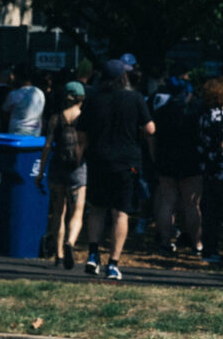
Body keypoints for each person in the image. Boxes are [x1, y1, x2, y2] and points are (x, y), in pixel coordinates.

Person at [77, 59, 155, 280]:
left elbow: (81, 133)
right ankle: (113, 263)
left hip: (99, 159)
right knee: (121, 212)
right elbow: (150, 128)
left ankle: (93, 254)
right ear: (124, 77)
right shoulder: (135, 98)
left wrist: (82, 153)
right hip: (126, 161)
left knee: (98, 208)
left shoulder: (94, 99)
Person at [36, 81, 87, 269]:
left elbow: (47, 146)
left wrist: (40, 172)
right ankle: (70, 242)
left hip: (57, 168)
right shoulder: (84, 118)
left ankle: (57, 255)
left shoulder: (55, 119)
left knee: (58, 212)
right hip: (77, 169)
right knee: (77, 212)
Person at [151, 75, 203, 254]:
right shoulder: (194, 112)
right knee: (192, 204)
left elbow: (154, 136)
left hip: (166, 160)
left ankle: (165, 241)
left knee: (167, 202)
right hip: (190, 161)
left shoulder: (162, 112)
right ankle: (196, 243)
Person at [198, 77, 223, 263]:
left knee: (210, 211)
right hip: (220, 166)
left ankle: (209, 248)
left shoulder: (204, 113)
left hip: (208, 167)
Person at [3, 65, 45, 136]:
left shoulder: (14, 94)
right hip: (35, 134)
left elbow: (5, 112)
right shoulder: (40, 93)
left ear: (18, 77)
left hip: (16, 134)